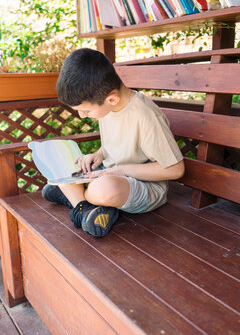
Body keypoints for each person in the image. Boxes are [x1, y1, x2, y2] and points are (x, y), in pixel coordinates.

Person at [42, 48, 185, 237]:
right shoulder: (108, 105)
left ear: (111, 98)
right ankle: (87, 208)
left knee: (104, 188)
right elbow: (120, 139)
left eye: (86, 111)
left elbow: (175, 169)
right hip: (110, 171)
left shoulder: (145, 115)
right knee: (61, 165)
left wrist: (122, 171)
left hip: (144, 185)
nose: (82, 115)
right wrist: (98, 154)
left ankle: (78, 200)